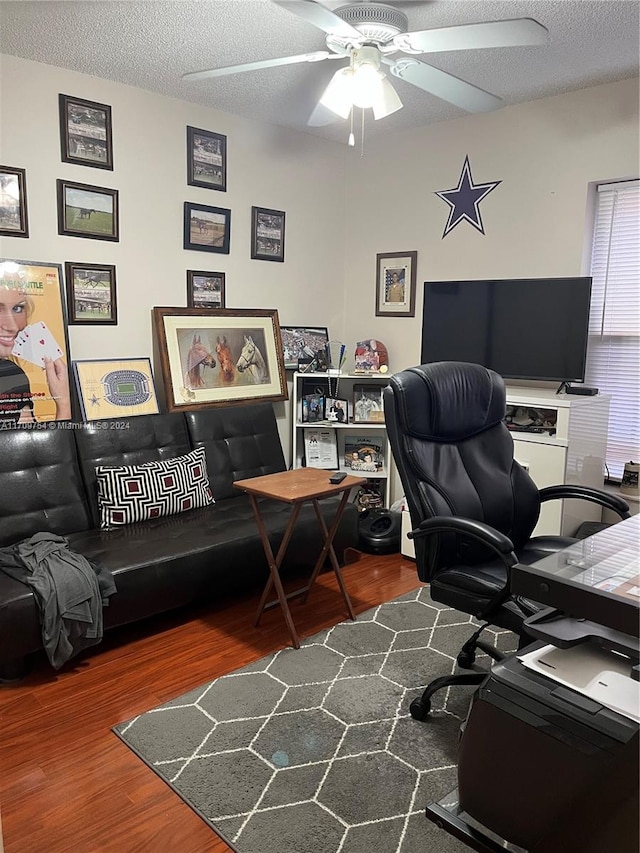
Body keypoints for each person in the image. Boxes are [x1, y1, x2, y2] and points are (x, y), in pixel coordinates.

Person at [0, 282, 71, 424]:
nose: (13, 326)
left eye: (18, 308)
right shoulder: (8, 371)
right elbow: (37, 446)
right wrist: (64, 402)